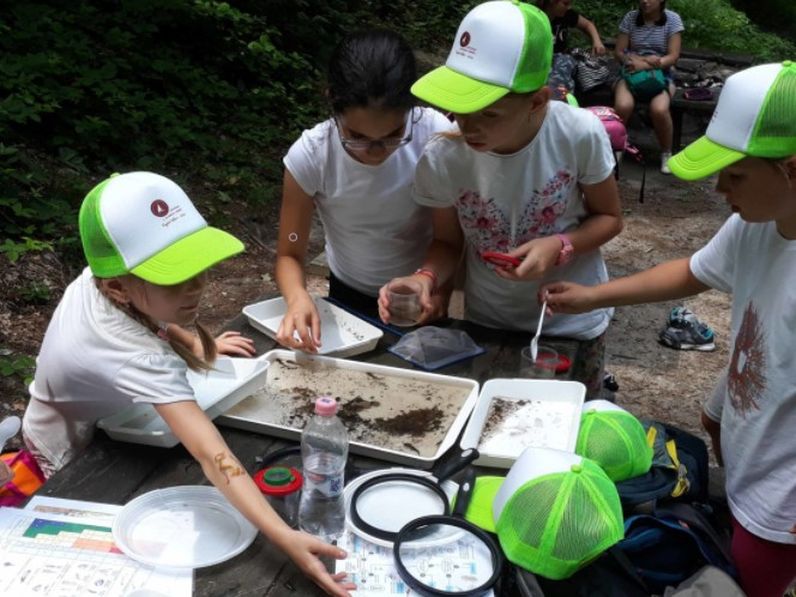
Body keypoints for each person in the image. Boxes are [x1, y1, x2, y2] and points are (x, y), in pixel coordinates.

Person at [22, 172, 355, 597]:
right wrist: (284, 536)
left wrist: (200, 339)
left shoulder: (108, 275)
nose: (198, 287)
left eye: (199, 268)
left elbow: (149, 316)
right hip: (66, 451)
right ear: (118, 287)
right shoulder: (136, 356)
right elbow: (212, 454)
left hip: (107, 419)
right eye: (175, 278)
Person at [542, 62, 796, 597]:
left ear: (791, 170)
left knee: (742, 586)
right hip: (752, 449)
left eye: (737, 173)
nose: (719, 185)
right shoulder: (757, 225)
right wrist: (592, 295)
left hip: (782, 501)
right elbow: (691, 271)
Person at [378, 0, 623, 399]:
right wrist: (424, 279)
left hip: (569, 322)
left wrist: (560, 245)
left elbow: (609, 218)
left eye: (488, 113)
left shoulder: (578, 134)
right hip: (489, 320)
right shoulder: (444, 157)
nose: (467, 125)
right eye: (459, 107)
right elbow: (447, 242)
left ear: (538, 101)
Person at [275, 30, 455, 353]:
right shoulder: (312, 156)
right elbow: (289, 252)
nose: (375, 150)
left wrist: (429, 282)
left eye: (393, 135)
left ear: (411, 108)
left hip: (422, 291)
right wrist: (298, 297)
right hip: (347, 293)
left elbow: (448, 240)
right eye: (356, 136)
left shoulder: (435, 139)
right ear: (333, 102)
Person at [613, 0, 684, 174]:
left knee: (659, 109)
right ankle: (616, 148)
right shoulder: (630, 18)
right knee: (623, 105)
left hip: (660, 74)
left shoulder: (672, 19)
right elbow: (619, 51)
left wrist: (646, 64)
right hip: (631, 72)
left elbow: (673, 56)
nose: (645, 1)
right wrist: (634, 62)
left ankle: (667, 153)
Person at [539, 0, 606, 102]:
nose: (569, 7)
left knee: (564, 64)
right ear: (552, 2)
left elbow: (588, 24)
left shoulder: (567, 14)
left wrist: (597, 41)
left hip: (561, 57)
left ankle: (565, 100)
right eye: (565, 4)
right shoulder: (536, 17)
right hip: (541, 58)